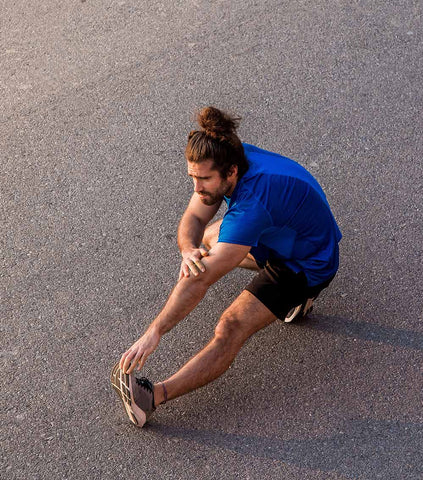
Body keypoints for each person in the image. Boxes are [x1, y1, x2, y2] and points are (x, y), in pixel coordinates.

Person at [111, 106, 342, 427]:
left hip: (307, 264)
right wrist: (189, 249)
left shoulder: (252, 206)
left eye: (204, 179)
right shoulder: (230, 155)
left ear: (231, 173)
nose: (197, 188)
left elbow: (199, 281)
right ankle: (292, 300)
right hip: (281, 237)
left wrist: (155, 332)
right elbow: (193, 218)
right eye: (192, 177)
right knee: (204, 241)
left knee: (230, 327)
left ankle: (152, 397)